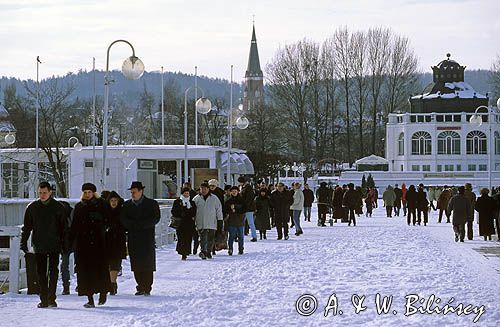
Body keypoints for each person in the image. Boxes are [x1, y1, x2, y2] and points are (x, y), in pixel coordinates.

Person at [20, 181, 66, 308]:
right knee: (41, 272)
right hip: (39, 244)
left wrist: (64, 244)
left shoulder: (58, 207)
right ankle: (44, 299)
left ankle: (51, 298)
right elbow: (27, 227)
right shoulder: (32, 208)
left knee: (53, 271)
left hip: (54, 244)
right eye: (40, 193)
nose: (42, 195)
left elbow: (64, 228)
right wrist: (23, 242)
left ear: (50, 192)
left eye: (45, 192)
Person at [71, 183, 110, 308]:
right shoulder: (79, 207)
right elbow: (74, 225)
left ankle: (103, 292)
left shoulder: (101, 204)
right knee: (85, 271)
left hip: (99, 242)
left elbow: (108, 220)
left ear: (94, 192)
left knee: (100, 269)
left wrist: (100, 220)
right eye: (86, 192)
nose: (87, 194)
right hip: (83, 243)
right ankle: (90, 298)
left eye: (90, 192)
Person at [120, 181, 160, 296]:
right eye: (131, 192)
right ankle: (139, 286)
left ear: (141, 191)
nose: (132, 194)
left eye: (134, 192)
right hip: (133, 236)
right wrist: (131, 225)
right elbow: (123, 219)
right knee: (136, 262)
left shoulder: (151, 204)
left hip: (146, 237)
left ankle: (147, 286)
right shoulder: (127, 205)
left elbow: (155, 218)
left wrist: (143, 225)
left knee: (147, 262)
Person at [192, 182, 223, 259]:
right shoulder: (196, 199)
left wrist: (220, 220)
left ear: (208, 189)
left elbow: (219, 210)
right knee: (202, 238)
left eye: (205, 189)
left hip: (212, 222)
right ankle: (203, 251)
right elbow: (192, 211)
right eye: (202, 189)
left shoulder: (214, 198)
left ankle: (208, 251)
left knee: (210, 238)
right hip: (200, 222)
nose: (203, 190)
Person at [104, 191, 127, 295]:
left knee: (115, 262)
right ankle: (110, 282)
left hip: (118, 239)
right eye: (111, 201)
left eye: (115, 201)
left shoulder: (122, 211)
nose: (113, 202)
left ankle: (112, 283)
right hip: (107, 240)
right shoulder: (105, 211)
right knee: (107, 262)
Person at [171, 187, 197, 260]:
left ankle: (186, 252)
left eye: (187, 193)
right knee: (181, 238)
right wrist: (180, 213)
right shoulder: (177, 201)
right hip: (180, 223)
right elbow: (173, 211)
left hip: (189, 223)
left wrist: (189, 213)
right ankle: (182, 253)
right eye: (185, 193)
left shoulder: (191, 202)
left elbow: (194, 212)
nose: (186, 194)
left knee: (188, 238)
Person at [224, 186, 246, 255]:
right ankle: (230, 249)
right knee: (231, 236)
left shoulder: (242, 200)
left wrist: (235, 208)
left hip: (240, 220)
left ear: (238, 192)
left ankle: (241, 249)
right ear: (230, 192)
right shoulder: (228, 201)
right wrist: (231, 210)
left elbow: (244, 209)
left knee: (241, 236)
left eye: (235, 191)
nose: (234, 192)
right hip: (231, 220)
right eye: (232, 191)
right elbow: (225, 210)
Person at [239, 176, 257, 242]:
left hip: (247, 208)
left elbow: (248, 199)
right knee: (249, 223)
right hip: (247, 208)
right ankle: (253, 236)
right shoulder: (245, 187)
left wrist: (244, 206)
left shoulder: (248, 188)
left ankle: (254, 236)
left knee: (249, 223)